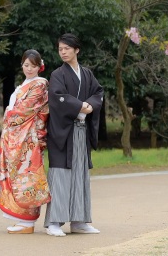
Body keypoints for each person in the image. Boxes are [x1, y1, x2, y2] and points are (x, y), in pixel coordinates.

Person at [44, 33, 104, 236]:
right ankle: (54, 222)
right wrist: (81, 106)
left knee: (80, 174)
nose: (63, 52)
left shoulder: (86, 74)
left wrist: (89, 105)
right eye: (60, 49)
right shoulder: (57, 75)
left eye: (67, 48)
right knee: (60, 174)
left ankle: (79, 221)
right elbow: (58, 98)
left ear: (76, 50)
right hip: (62, 132)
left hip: (81, 131)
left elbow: (98, 93)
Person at [0, 49, 51, 234]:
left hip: (27, 139)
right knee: (15, 176)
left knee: (27, 177)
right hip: (16, 137)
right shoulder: (25, 84)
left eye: (32, 66)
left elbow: (24, 110)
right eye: (25, 65)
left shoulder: (40, 84)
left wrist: (8, 114)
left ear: (40, 66)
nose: (29, 69)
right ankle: (20, 219)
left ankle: (28, 222)